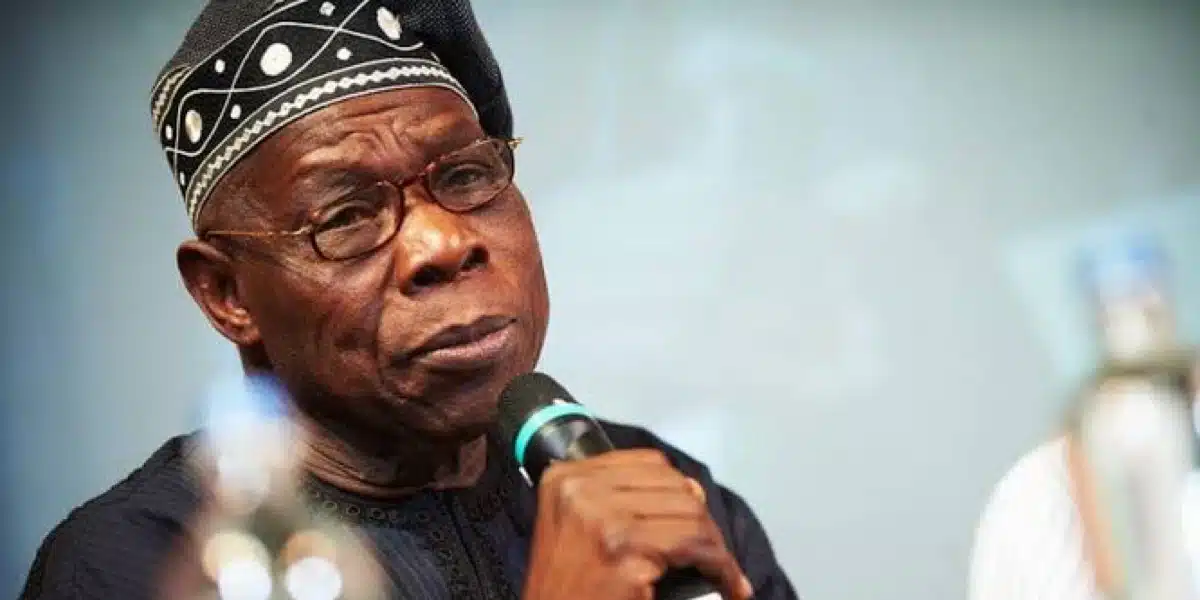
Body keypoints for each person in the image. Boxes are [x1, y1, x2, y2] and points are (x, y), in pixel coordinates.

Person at [18, 1, 799, 599]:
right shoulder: (141, 564)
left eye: (466, 177)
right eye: (346, 216)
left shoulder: (658, 494)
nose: (444, 243)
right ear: (227, 294)